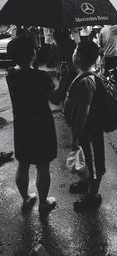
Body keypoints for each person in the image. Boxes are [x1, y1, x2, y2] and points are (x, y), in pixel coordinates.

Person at [6, 36, 68, 214]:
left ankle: (26, 198)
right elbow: (56, 99)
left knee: (23, 164)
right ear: (32, 53)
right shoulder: (40, 77)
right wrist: (63, 79)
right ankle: (43, 204)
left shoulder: (11, 74)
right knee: (42, 166)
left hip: (22, 125)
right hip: (41, 126)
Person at [69, 40, 105, 211]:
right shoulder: (84, 73)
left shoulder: (86, 81)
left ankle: (93, 197)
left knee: (94, 164)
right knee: (86, 159)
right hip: (88, 131)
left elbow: (83, 113)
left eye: (75, 50)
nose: (73, 53)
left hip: (89, 132)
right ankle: (86, 183)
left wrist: (75, 136)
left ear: (80, 56)